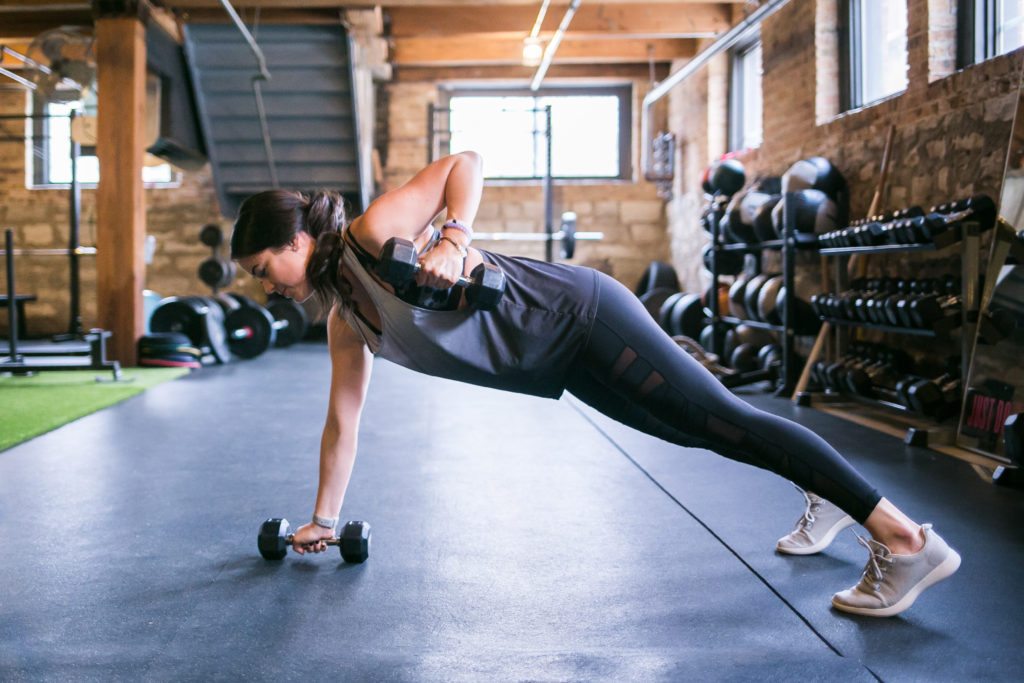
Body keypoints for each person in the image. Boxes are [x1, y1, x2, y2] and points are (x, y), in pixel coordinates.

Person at [230, 151, 960, 618]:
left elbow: (466, 162)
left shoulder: (371, 231)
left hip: (580, 313)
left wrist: (452, 238)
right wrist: (324, 517)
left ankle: (903, 539)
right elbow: (342, 422)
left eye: (265, 268)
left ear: (296, 242)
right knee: (696, 429)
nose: (267, 286)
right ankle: (827, 491)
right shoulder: (345, 321)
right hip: (562, 363)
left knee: (719, 416)